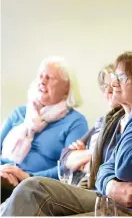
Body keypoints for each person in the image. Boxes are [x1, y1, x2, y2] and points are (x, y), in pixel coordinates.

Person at [0, 48, 132, 216]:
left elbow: (124, 163)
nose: (113, 84)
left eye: (121, 77)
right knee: (30, 189)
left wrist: (89, 157)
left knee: (30, 188)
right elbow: (84, 162)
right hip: (103, 192)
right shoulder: (110, 121)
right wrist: (110, 183)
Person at [0, 56, 87, 202]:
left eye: (50, 78)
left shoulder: (75, 122)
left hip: (36, 187)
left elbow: (69, 167)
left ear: (66, 86)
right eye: (40, 76)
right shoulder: (20, 113)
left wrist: (27, 178)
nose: (42, 81)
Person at [60, 64, 119, 187]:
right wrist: (93, 155)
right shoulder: (103, 122)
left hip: (98, 191)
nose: (107, 91)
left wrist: (86, 158)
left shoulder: (126, 123)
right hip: (81, 186)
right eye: (104, 86)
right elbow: (65, 158)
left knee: (34, 187)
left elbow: (113, 160)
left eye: (113, 85)